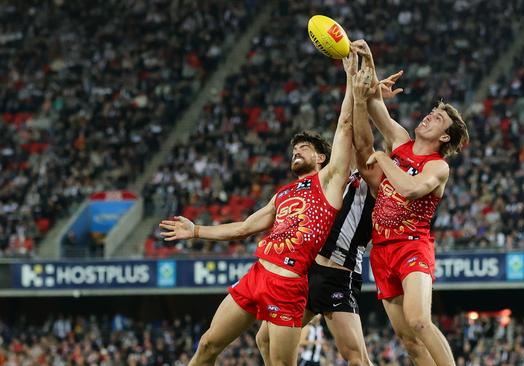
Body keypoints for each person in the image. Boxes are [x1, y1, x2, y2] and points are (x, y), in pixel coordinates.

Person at [158, 68, 354, 365]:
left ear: (322, 158)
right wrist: (196, 231)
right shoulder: (284, 194)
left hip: (288, 287)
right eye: (294, 150)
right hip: (257, 276)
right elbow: (246, 227)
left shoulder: (328, 183)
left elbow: (345, 125)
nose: (296, 152)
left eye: (304, 148)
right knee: (208, 344)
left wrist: (352, 80)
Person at [256, 52, 404, 366]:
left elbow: (368, 136)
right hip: (312, 272)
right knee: (264, 337)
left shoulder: (381, 182)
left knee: (356, 357)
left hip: (339, 274)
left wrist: (368, 94)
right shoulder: (344, 175)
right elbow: (349, 130)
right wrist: (367, 89)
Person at [352, 40, 469, 366]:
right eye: (432, 112)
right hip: (382, 250)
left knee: (419, 322)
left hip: (412, 247)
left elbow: (412, 189)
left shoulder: (437, 165)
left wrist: (382, 159)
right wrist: (368, 60)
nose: (430, 116)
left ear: (444, 137)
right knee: (408, 341)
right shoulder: (401, 140)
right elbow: (372, 102)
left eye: (438, 119)